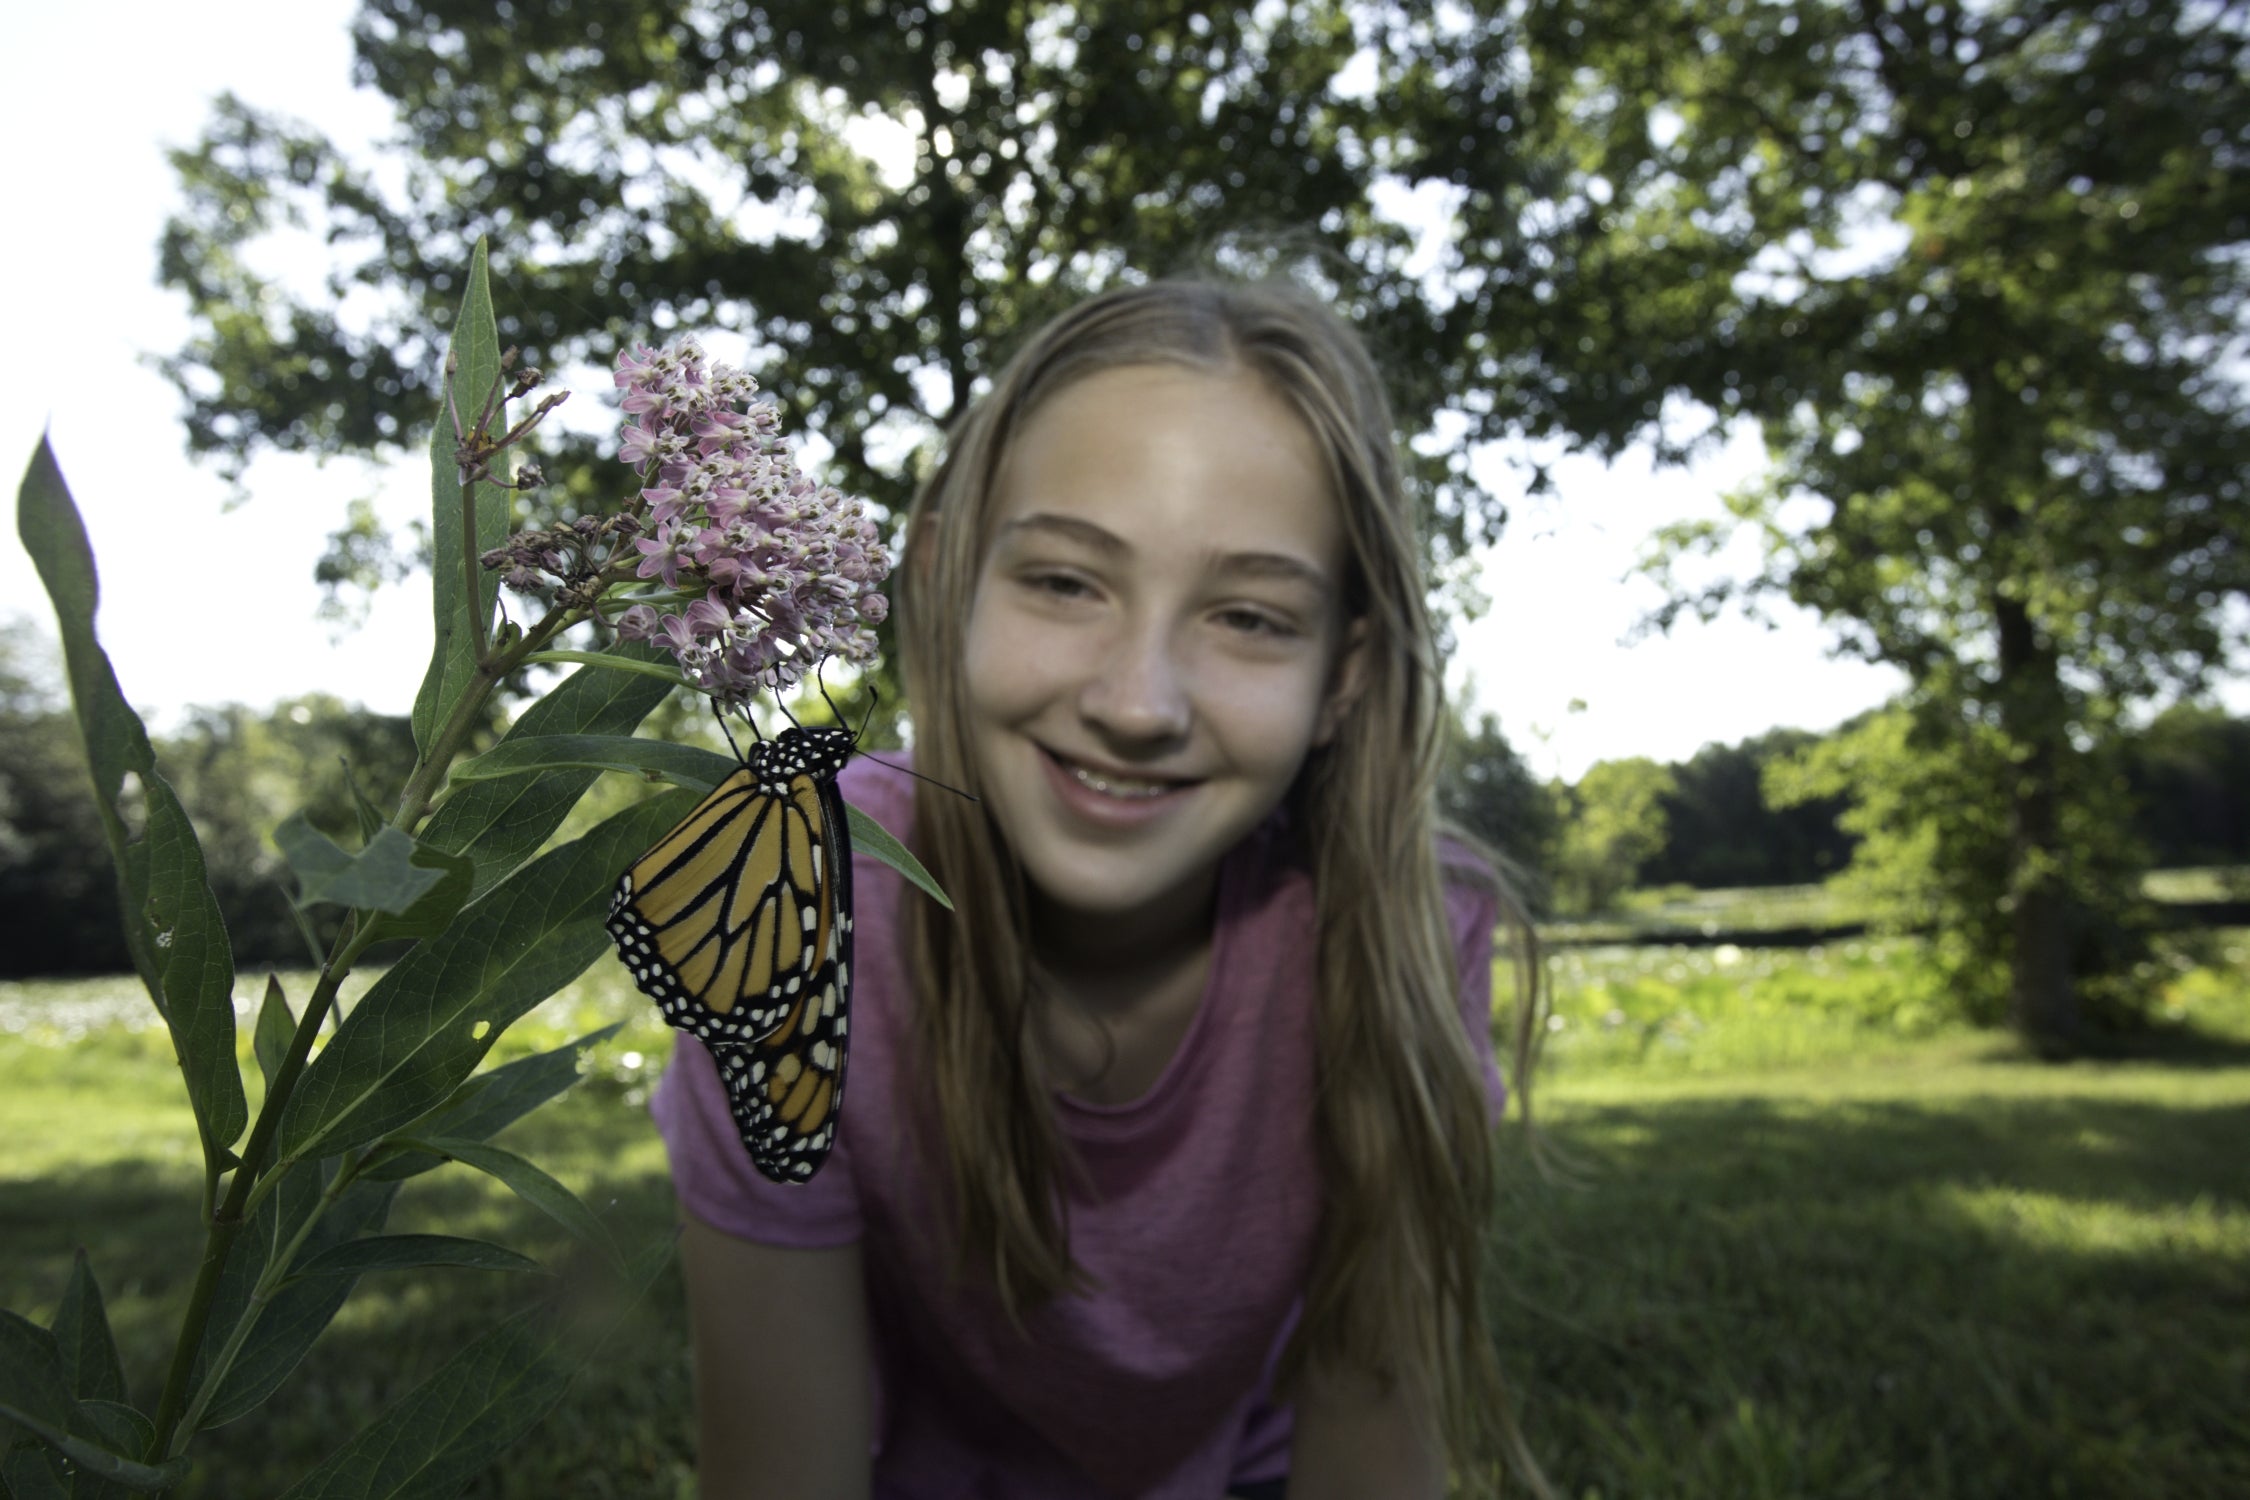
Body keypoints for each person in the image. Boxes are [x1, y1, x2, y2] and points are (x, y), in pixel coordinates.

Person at [650, 278, 1544, 1499]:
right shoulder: (800, 905)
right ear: (947, 577)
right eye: (1067, 582)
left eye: (1247, 616)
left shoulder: (1403, 931)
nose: (1137, 703)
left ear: (1345, 675)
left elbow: (1372, 1444)